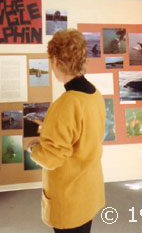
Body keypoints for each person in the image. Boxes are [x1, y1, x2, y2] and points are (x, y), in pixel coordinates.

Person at [29, 29, 106, 233]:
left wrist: (33, 147)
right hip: (88, 190)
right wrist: (50, 128)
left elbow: (52, 159)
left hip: (69, 198)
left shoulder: (65, 104)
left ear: (55, 61)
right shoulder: (94, 94)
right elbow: (83, 132)